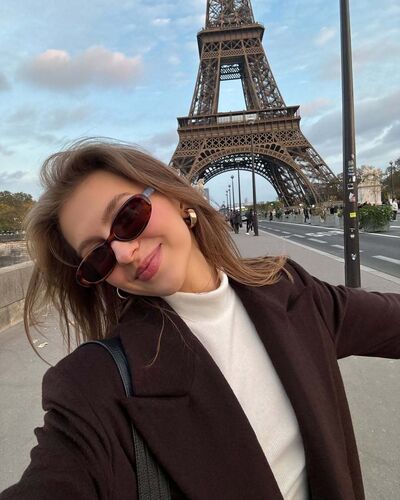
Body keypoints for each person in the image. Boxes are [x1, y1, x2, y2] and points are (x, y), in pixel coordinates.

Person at [1, 139, 399, 500]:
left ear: (176, 198)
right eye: (98, 256)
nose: (123, 252)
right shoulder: (93, 384)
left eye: (128, 217)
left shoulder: (291, 289)